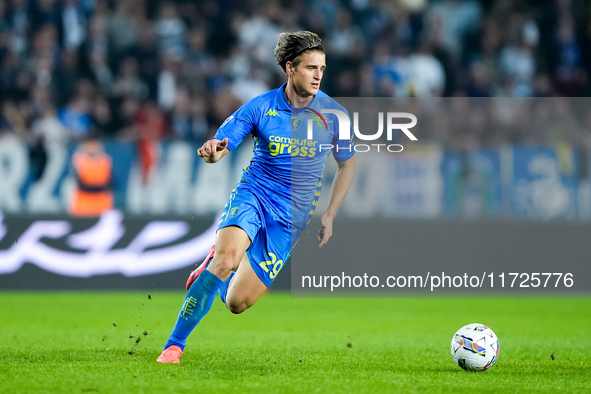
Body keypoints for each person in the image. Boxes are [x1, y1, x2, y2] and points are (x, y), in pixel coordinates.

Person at [157, 31, 357, 364]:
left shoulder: (334, 116)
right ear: (290, 68)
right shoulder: (261, 107)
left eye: (322, 67)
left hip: (292, 219)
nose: (319, 74)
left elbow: (347, 165)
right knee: (227, 260)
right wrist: (211, 153)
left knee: (237, 302)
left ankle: (212, 272)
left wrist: (331, 212)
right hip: (254, 196)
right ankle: (174, 345)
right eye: (311, 67)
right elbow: (222, 147)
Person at [69, 134, 114, 216]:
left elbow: (111, 182)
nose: (93, 147)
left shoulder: (105, 160)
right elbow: (81, 185)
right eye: (90, 144)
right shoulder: (78, 160)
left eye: (95, 144)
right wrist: (99, 186)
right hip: (83, 207)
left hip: (102, 207)